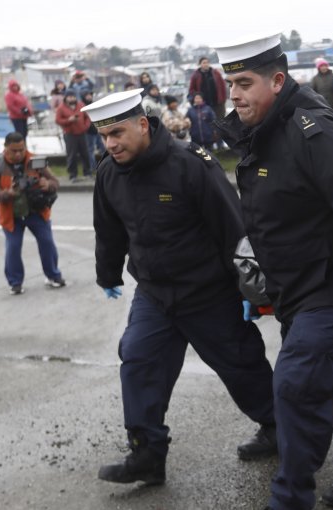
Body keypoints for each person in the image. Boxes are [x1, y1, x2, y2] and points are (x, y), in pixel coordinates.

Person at [213, 34, 333, 509]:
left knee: (294, 386)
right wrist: (262, 285)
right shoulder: (262, 131)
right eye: (229, 83)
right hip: (294, 289)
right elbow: (271, 222)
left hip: (331, 288)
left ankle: (291, 497)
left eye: (244, 82)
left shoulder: (316, 131)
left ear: (277, 80)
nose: (234, 94)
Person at [82, 89, 277, 485]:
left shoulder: (190, 164)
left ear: (142, 124)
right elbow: (109, 230)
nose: (110, 144)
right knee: (138, 361)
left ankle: (280, 428)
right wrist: (108, 275)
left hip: (208, 293)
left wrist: (252, 289)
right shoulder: (108, 172)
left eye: (117, 132)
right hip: (155, 294)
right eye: (104, 136)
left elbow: (233, 228)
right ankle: (147, 454)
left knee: (241, 366)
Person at [0, 132, 65, 294]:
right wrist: (9, 193)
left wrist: (46, 184)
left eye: (22, 149)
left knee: (47, 243)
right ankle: (15, 283)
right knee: (13, 248)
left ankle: (53, 275)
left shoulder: (35, 161)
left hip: (36, 212)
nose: (19, 154)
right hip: (11, 215)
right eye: (14, 150)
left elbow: (55, 182)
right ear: (5, 148)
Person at [55, 89, 93, 182]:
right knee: (71, 155)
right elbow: (57, 120)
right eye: (70, 97)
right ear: (66, 98)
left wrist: (86, 126)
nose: (72, 98)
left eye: (73, 96)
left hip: (82, 133)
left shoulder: (81, 105)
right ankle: (73, 175)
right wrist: (68, 120)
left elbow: (87, 117)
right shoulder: (61, 108)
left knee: (85, 154)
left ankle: (87, 173)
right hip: (70, 134)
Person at [81, 90, 106, 159]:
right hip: (89, 132)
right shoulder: (82, 106)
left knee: (103, 147)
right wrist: (87, 127)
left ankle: (106, 163)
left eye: (90, 95)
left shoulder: (94, 104)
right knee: (90, 150)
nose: (89, 97)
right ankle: (93, 167)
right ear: (83, 97)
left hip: (97, 130)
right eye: (87, 95)